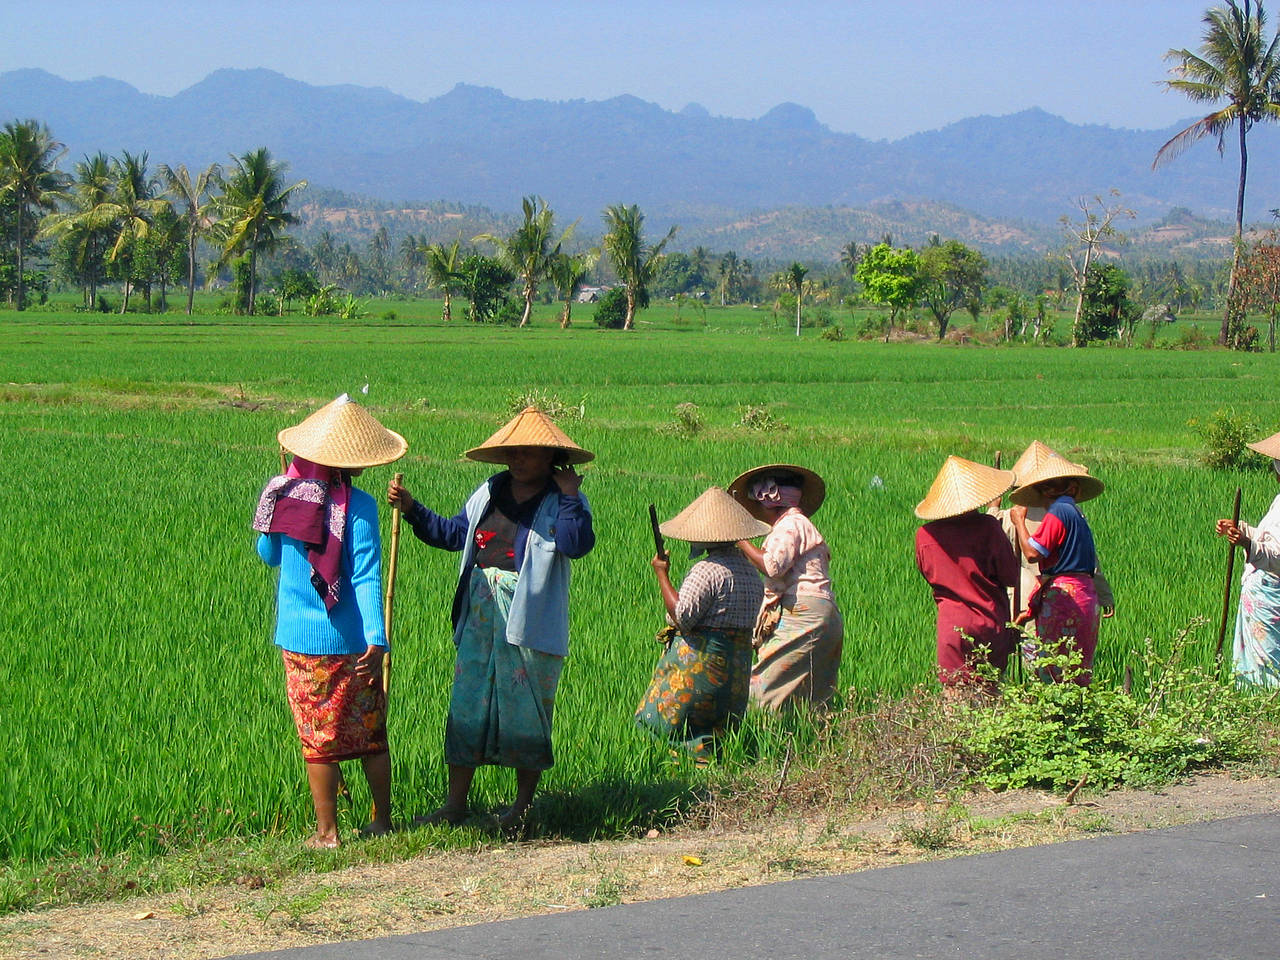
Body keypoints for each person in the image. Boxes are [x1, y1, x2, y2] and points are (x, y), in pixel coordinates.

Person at [388, 406, 595, 832]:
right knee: (468, 703)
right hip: (480, 611)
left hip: (529, 619)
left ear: (551, 458)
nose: (519, 460)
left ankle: (521, 808)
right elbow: (452, 535)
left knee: (528, 708)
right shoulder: (488, 492)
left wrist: (572, 494)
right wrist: (412, 509)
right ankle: (455, 803)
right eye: (513, 453)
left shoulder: (564, 502)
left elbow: (576, 545)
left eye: (529, 454)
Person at [252, 394, 407, 849]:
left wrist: (273, 510)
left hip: (302, 640)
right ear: (353, 464)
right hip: (356, 640)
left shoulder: (283, 496)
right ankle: (382, 822)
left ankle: (327, 833)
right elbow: (365, 574)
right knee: (369, 731)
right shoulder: (360, 507)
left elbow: (269, 556)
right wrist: (377, 637)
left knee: (318, 734)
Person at [635, 487, 769, 758]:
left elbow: (682, 617)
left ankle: (680, 775)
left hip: (701, 666)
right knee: (717, 731)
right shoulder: (750, 573)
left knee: (667, 724)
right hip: (734, 671)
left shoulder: (706, 571)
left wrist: (662, 574)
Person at [728, 463, 844, 709]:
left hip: (803, 612)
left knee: (764, 688)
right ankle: (810, 738)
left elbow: (772, 566)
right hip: (822, 612)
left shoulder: (791, 524)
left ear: (769, 502)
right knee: (811, 692)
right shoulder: (797, 524)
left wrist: (741, 540)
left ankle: (760, 737)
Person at [914, 456, 1021, 696]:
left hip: (952, 625)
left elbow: (928, 573)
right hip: (990, 621)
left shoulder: (925, 535)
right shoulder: (989, 527)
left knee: (954, 695)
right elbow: (1010, 576)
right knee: (989, 696)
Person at [991, 440, 1116, 622]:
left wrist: (993, 509)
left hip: (1037, 595)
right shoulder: (1073, 511)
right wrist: (1104, 594)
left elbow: (993, 541)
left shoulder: (1015, 515)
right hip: (1070, 595)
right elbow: (1090, 560)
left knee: (1037, 647)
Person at [1006, 455, 1105, 685]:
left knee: (1053, 668)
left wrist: (1019, 521)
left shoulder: (1059, 512)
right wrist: (1032, 609)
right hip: (1084, 595)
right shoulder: (1075, 513)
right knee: (1076, 667)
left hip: (1064, 597)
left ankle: (1054, 715)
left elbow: (1032, 553)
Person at [1215, 430, 1280, 687]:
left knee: (1269, 667)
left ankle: (1267, 719)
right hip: (1263, 591)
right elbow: (1270, 540)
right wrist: (1241, 530)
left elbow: (1277, 554)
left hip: (1271, 592)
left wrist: (1246, 542)